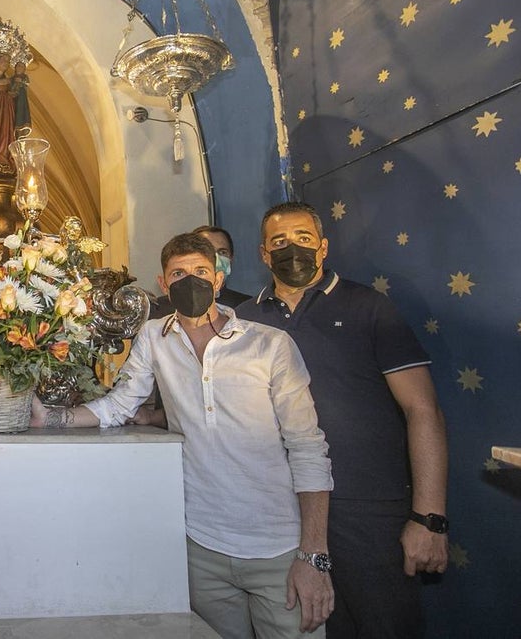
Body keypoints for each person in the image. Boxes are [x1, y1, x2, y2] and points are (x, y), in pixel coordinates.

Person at [32, 232, 335, 638]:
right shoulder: (155, 337)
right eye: (178, 273)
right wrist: (50, 419)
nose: (190, 281)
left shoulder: (270, 345)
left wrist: (313, 554)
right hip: (201, 547)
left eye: (200, 271)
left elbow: (307, 447)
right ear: (163, 283)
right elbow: (120, 404)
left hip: (277, 546)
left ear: (218, 279)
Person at [236, 201, 448, 638]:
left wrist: (429, 517)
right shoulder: (245, 321)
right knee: (304, 627)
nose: (291, 248)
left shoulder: (368, 307)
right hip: (281, 510)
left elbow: (421, 410)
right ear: (263, 253)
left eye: (303, 239)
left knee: (383, 625)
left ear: (324, 247)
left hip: (367, 507)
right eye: (279, 241)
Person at [152, 225, 251, 318]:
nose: (215, 258)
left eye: (222, 252)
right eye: (208, 250)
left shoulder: (247, 308)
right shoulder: (157, 311)